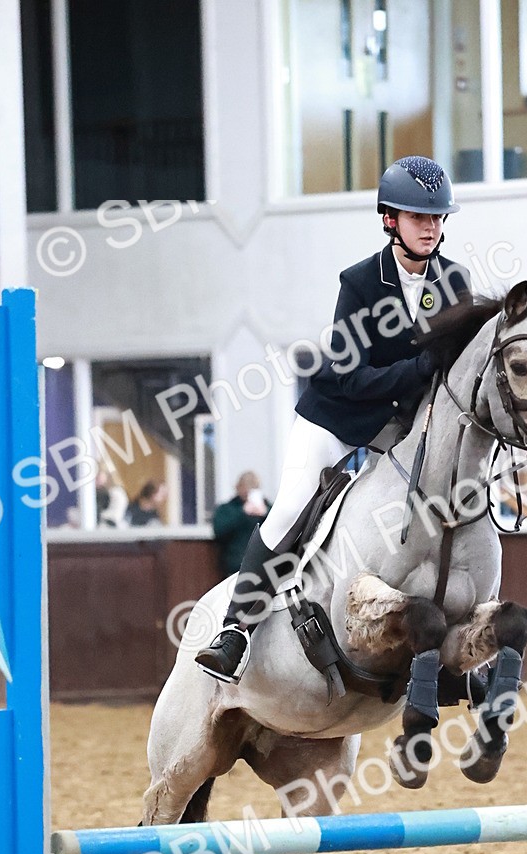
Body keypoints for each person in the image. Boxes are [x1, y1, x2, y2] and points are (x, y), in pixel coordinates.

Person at [197, 156, 471, 683]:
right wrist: (419, 369)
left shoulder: (453, 281)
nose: (431, 227)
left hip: (400, 429)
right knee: (289, 511)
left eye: (437, 218)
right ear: (390, 219)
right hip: (336, 420)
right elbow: (351, 378)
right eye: (419, 217)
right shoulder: (361, 282)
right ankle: (234, 633)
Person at [213, 472, 271, 576]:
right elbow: (219, 532)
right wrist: (242, 513)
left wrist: (265, 513)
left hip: (264, 568)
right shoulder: (228, 509)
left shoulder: (267, 508)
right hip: (234, 568)